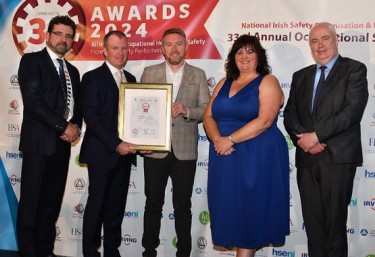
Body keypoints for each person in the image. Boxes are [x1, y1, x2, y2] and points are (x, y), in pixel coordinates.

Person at [283, 22, 368, 257]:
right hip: (307, 159)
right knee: (313, 226)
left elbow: (351, 112)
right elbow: (290, 114)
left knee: (334, 228)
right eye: (314, 41)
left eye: (325, 39)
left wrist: (317, 136)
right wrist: (305, 139)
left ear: (335, 39)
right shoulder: (300, 76)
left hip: (338, 159)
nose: (320, 46)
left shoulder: (354, 69)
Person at [203, 34, 289, 257]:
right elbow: (208, 117)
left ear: (259, 56)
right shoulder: (223, 83)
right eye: (239, 52)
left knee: (250, 212)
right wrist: (218, 141)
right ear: (232, 58)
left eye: (250, 51)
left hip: (256, 154)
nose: (244, 56)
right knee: (231, 211)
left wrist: (229, 140)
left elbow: (265, 120)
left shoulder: (268, 81)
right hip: (225, 154)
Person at [140, 28, 210, 257]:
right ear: (162, 48)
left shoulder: (198, 74)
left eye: (178, 44)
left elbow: (206, 111)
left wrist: (187, 110)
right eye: (168, 44)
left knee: (183, 207)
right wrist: (141, 141)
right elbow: (139, 111)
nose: (174, 49)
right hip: (154, 151)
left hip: (185, 152)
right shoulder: (149, 72)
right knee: (152, 205)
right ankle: (148, 251)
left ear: (186, 46)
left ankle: (184, 252)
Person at [17, 15, 82, 257]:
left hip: (62, 147)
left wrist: (74, 127)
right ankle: (29, 252)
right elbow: (33, 103)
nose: (63, 40)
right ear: (48, 35)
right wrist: (64, 127)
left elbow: (77, 107)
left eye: (68, 36)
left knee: (51, 204)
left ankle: (46, 251)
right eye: (58, 34)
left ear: (72, 41)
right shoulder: (32, 61)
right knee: (32, 204)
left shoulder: (73, 71)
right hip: (38, 145)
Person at [79, 30, 137, 257]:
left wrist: (141, 143)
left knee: (116, 208)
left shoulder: (131, 79)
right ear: (104, 50)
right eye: (115, 48)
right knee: (97, 206)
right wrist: (116, 144)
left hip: (124, 155)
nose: (120, 53)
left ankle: (112, 251)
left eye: (124, 48)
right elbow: (91, 118)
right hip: (102, 154)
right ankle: (90, 252)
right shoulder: (92, 78)